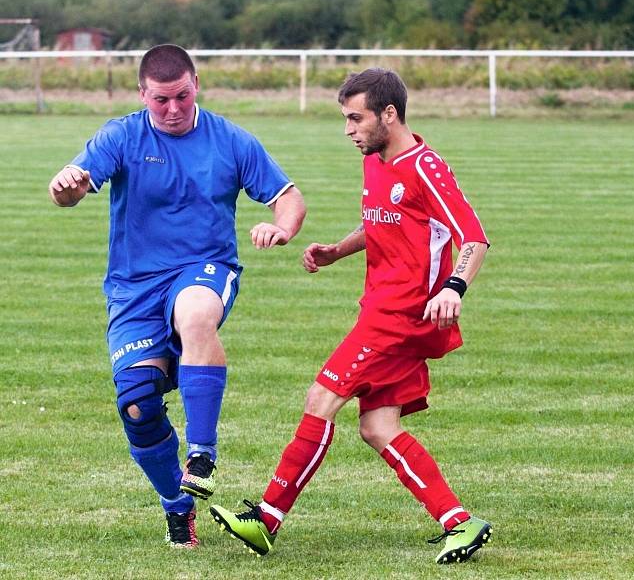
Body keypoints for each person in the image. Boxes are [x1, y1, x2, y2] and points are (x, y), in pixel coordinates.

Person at [210, 68, 493, 564]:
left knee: (322, 397)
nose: (349, 129)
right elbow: (382, 223)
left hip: (401, 315)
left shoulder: (425, 167)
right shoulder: (376, 159)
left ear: (389, 114)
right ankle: (459, 522)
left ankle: (267, 519)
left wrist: (454, 287)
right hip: (383, 309)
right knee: (379, 427)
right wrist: (338, 250)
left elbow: (473, 236)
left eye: (355, 118)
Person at [48, 44, 306, 548]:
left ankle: (202, 455)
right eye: (161, 100)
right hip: (133, 287)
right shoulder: (121, 135)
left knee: (195, 315)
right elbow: (73, 189)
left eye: (182, 97)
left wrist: (283, 227)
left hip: (204, 268)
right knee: (139, 406)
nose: (172, 109)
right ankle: (177, 504)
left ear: (197, 85)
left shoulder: (230, 140)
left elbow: (288, 196)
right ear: (142, 93)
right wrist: (66, 186)